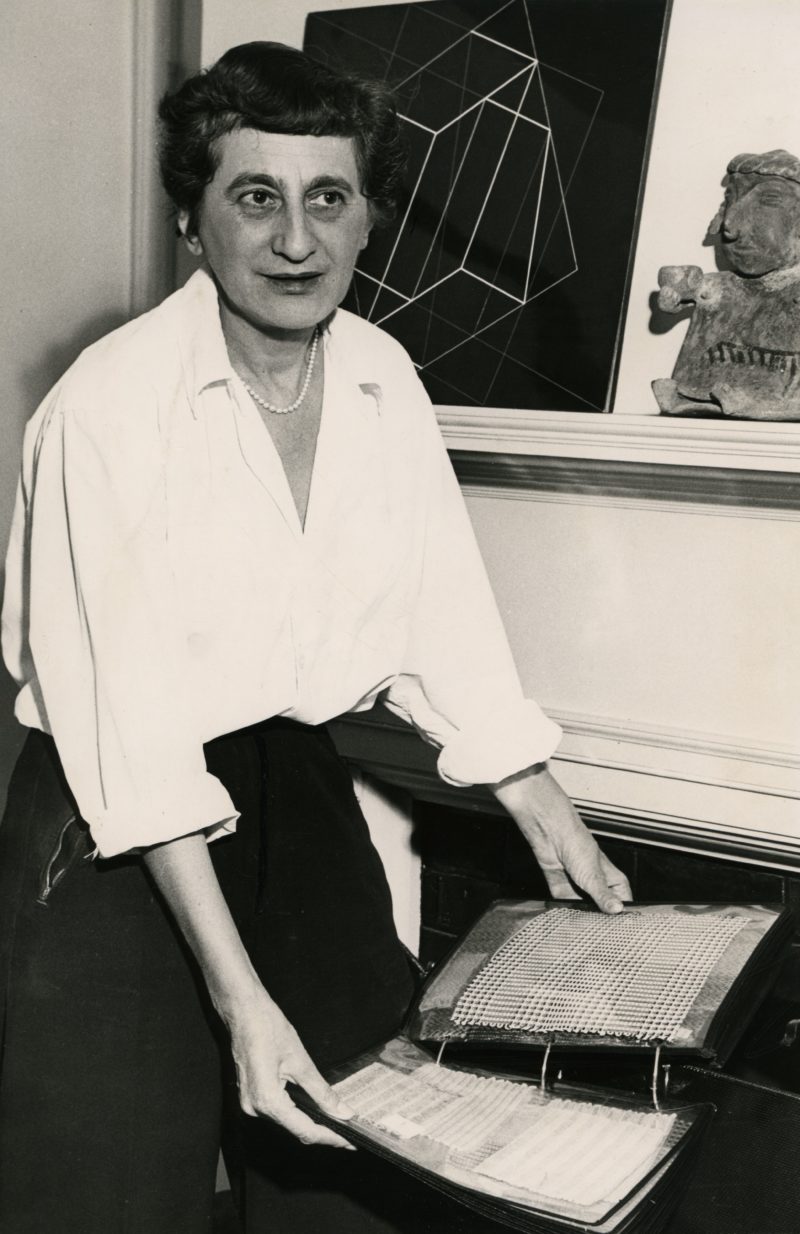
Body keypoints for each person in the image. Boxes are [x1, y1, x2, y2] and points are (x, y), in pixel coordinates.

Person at [0, 41, 631, 1234]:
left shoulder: (384, 376)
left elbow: (440, 606)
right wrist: (241, 999)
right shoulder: (108, 406)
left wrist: (537, 798)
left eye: (327, 198)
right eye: (255, 197)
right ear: (193, 220)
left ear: (365, 219)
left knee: (356, 1170)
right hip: (112, 821)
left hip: (291, 785)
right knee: (109, 1189)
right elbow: (131, 742)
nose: (296, 239)